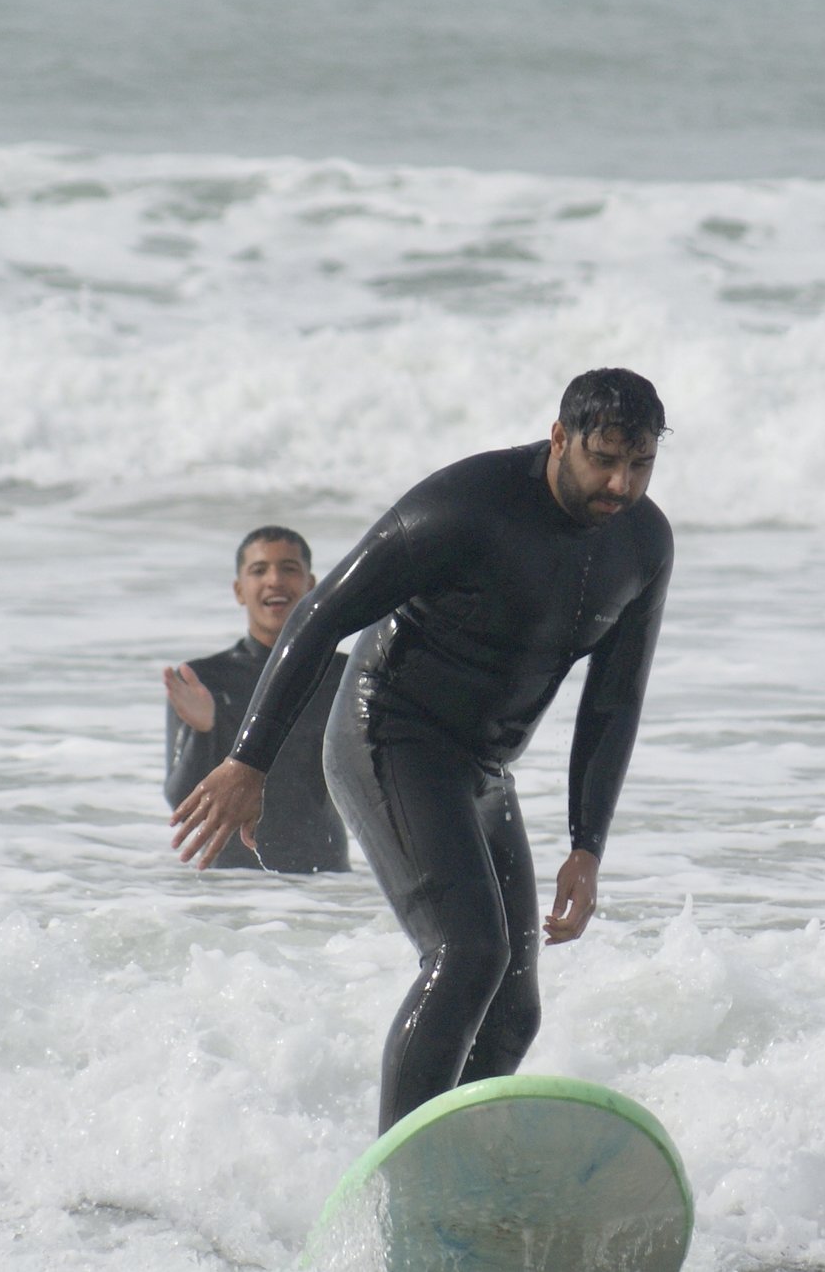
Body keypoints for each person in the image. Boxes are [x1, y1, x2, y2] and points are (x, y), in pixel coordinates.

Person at [171, 368, 675, 1132]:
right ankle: (399, 1176)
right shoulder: (465, 506)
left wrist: (587, 843)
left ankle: (451, 1162)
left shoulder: (642, 542)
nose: (620, 483)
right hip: (388, 736)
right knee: (468, 954)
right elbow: (322, 612)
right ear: (559, 439)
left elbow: (615, 698)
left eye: (639, 465)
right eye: (604, 459)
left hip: (482, 768)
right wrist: (250, 756)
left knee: (512, 1011)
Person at [161, 526, 350, 873]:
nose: (275, 580)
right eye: (259, 570)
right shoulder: (201, 679)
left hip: (326, 892)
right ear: (239, 590)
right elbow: (180, 799)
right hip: (234, 892)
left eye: (289, 568)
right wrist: (204, 731)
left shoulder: (344, 675)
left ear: (311, 585)